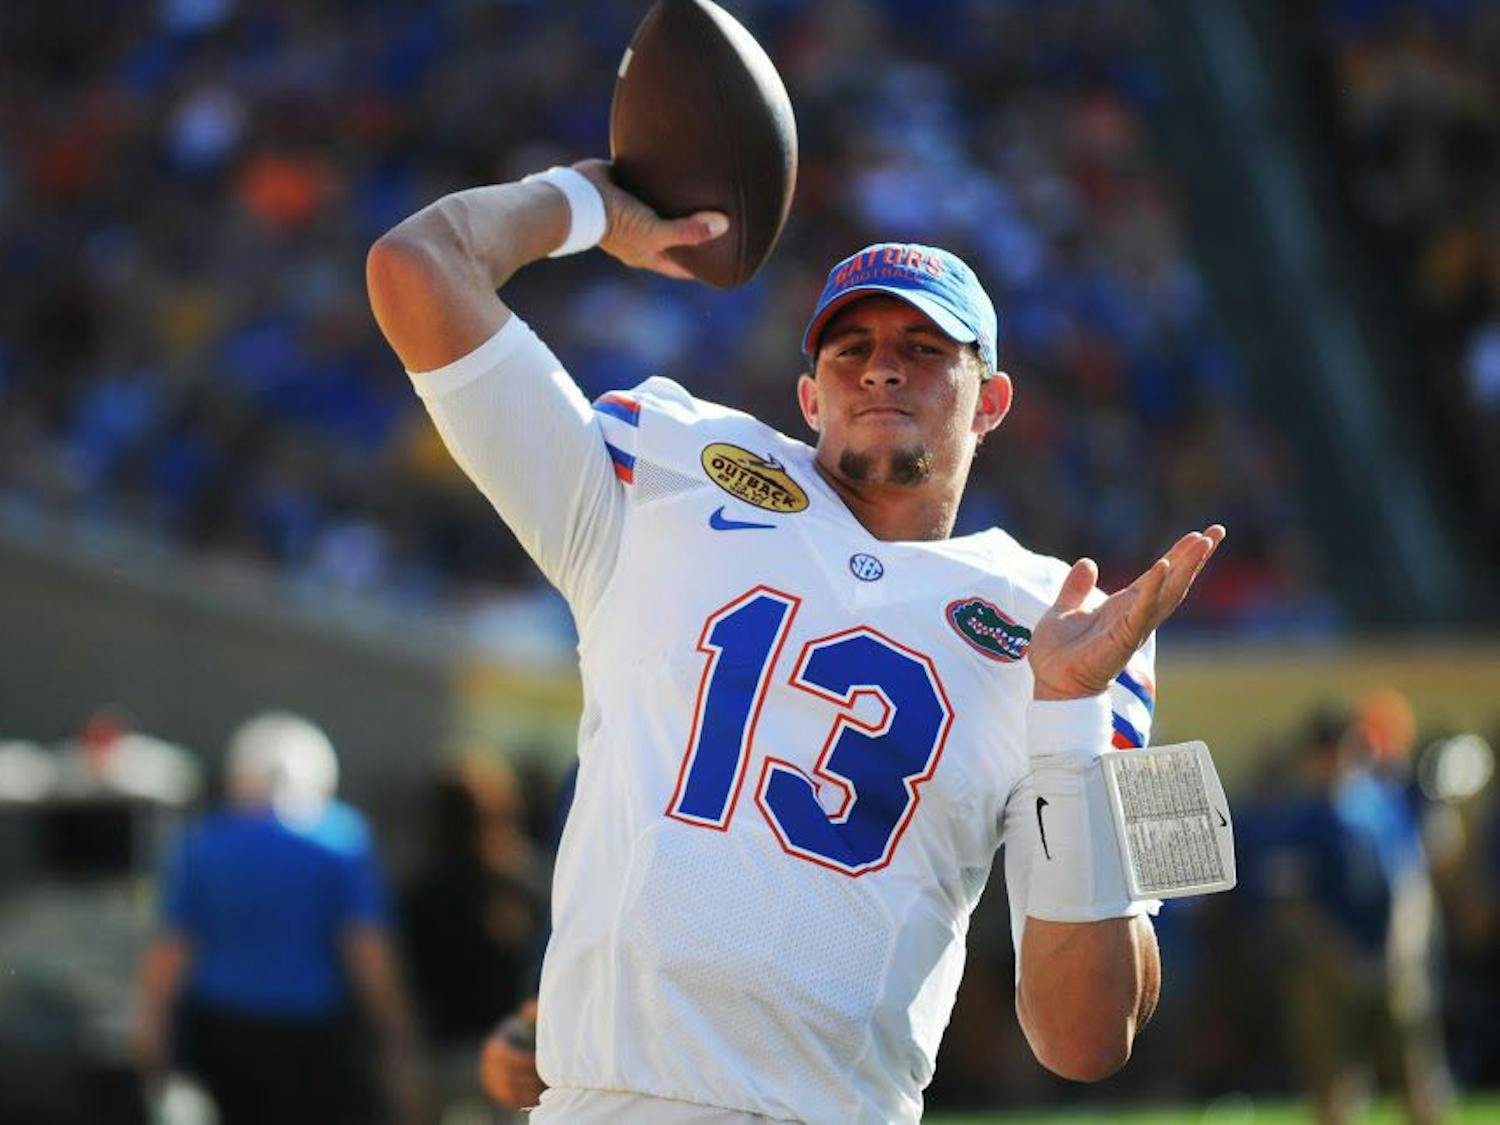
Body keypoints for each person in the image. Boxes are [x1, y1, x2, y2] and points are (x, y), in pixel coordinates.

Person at [367, 159, 1225, 1123]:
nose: (881, 365)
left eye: (925, 345)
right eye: (848, 346)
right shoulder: (669, 466)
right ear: (809, 396)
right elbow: (417, 266)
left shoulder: (1077, 622)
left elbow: (1086, 1039)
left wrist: (1069, 718)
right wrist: (587, 204)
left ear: (991, 401)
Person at [134, 711, 422, 1125]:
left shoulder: (202, 843)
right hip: (310, 1035)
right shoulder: (341, 839)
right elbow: (366, 947)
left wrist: (151, 1031)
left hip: (220, 1030)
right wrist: (395, 1031)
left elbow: (171, 948)